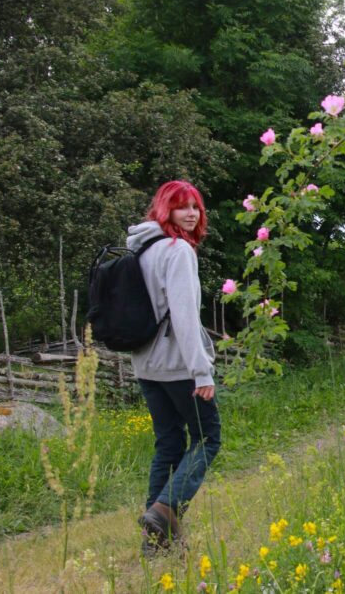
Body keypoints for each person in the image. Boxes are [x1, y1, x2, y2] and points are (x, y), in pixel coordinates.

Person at [127, 180, 220, 555]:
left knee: (168, 443)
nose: (191, 213)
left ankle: (155, 540)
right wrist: (202, 371)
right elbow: (183, 316)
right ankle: (164, 512)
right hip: (178, 366)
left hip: (146, 364)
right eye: (182, 207)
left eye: (195, 206)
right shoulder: (177, 249)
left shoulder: (141, 248)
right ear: (166, 209)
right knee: (208, 438)